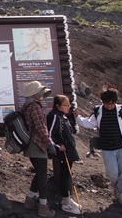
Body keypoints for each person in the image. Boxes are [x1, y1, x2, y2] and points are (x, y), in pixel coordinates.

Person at [74, 85, 122, 211]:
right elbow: (89, 123)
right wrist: (78, 117)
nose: (109, 106)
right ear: (103, 101)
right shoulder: (98, 111)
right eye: (107, 103)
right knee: (112, 174)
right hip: (107, 148)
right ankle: (118, 192)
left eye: (111, 103)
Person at [22, 80, 57, 217]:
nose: (43, 94)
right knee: (42, 176)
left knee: (40, 172)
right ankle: (43, 206)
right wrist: (49, 144)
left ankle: (30, 200)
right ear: (35, 94)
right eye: (40, 92)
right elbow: (41, 128)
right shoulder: (35, 107)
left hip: (31, 144)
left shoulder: (27, 106)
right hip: (38, 144)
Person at [47, 95, 81, 215]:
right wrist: (57, 146)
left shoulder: (62, 116)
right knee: (64, 175)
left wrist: (72, 116)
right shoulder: (55, 116)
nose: (68, 107)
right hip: (62, 152)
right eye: (66, 105)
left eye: (69, 105)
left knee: (67, 173)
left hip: (68, 151)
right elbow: (50, 134)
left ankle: (67, 197)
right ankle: (65, 201)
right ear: (58, 106)